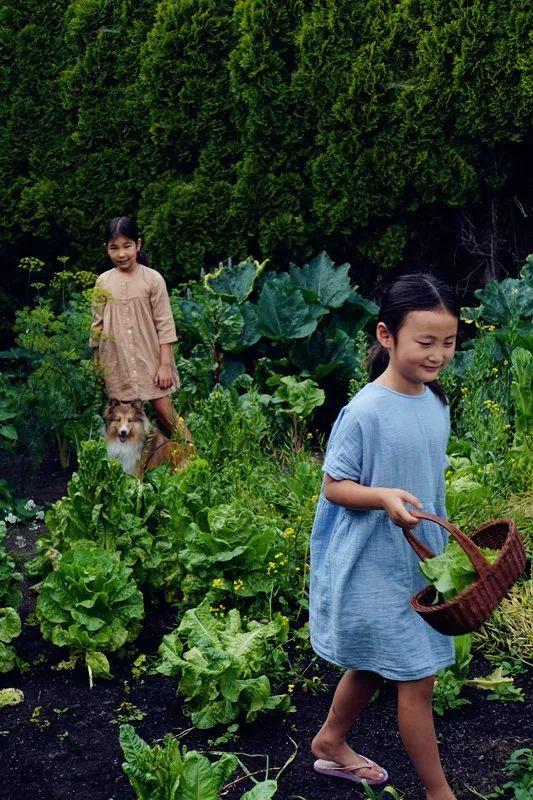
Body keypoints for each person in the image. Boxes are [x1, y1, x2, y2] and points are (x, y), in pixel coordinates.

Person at [310, 273, 459, 800]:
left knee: (373, 665)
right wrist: (384, 497)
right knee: (416, 682)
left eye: (448, 341)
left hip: (418, 562)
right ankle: (440, 793)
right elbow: (334, 487)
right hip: (372, 563)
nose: (438, 353)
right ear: (386, 335)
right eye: (425, 342)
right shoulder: (366, 411)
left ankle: (330, 741)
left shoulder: (435, 403)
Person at [90, 215, 191, 444]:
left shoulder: (153, 280)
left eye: (127, 246)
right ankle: (132, 470)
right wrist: (97, 363)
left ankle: (193, 455)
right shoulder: (103, 282)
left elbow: (165, 324)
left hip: (150, 359)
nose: (121, 254)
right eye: (114, 248)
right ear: (106, 248)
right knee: (123, 419)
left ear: (138, 244)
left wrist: (165, 365)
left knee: (166, 412)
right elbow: (97, 325)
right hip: (117, 361)